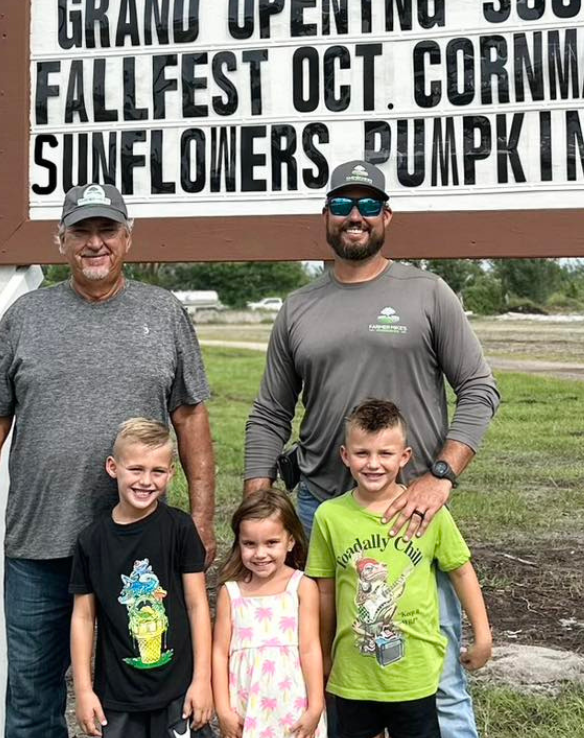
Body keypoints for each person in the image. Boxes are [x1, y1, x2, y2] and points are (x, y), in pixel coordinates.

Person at [0, 183, 216, 738]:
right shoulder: (26, 317)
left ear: (127, 239)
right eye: (82, 232)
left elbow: (191, 419)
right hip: (38, 545)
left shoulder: (162, 314)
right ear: (61, 240)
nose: (96, 244)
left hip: (137, 555)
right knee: (32, 696)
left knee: (140, 696)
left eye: (107, 231)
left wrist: (205, 520)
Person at [244, 160, 500, 737]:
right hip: (321, 511)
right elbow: (270, 413)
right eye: (341, 205)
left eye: (366, 206)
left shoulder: (428, 293)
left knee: (436, 674)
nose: (353, 216)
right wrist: (256, 498)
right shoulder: (298, 309)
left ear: (386, 217)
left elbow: (480, 390)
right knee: (327, 664)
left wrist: (440, 476)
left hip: (411, 513)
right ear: (326, 217)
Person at [306, 399, 492, 738]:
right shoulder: (329, 517)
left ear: (404, 457)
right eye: (362, 454)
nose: (373, 464)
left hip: (415, 675)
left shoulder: (428, 510)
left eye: (385, 454)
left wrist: (483, 634)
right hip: (353, 678)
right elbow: (324, 591)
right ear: (345, 456)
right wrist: (322, 652)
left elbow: (461, 570)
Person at [69, 418, 213, 738]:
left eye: (157, 471)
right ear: (112, 467)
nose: (146, 481)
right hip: (117, 698)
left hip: (179, 694)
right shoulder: (92, 541)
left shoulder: (180, 529)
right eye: (135, 469)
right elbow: (82, 617)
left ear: (171, 472)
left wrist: (203, 680)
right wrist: (83, 690)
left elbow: (197, 606)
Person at [212, 490, 326, 738]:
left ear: (291, 541)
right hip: (246, 708)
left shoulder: (302, 587)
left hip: (293, 708)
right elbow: (220, 654)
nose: (260, 553)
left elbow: (310, 649)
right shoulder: (231, 593)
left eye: (271, 543)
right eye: (249, 544)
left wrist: (316, 706)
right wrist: (223, 710)